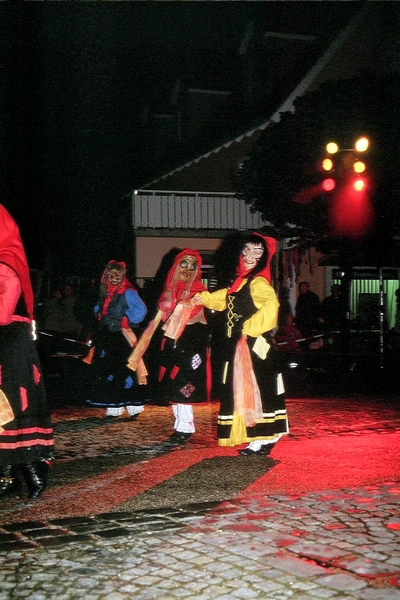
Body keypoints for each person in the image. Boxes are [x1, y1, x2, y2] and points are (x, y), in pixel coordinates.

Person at [192, 231, 289, 456]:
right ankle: (259, 435)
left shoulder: (258, 282)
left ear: (264, 256)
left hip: (255, 346)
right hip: (241, 345)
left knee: (258, 387)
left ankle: (266, 435)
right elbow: (226, 297)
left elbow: (272, 305)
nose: (250, 256)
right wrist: (203, 298)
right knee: (245, 388)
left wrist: (250, 328)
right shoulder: (241, 281)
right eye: (246, 250)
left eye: (257, 251)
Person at [128, 249, 210, 443]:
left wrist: (171, 305)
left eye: (193, 266)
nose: (188, 270)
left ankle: (186, 426)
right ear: (176, 267)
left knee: (184, 382)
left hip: (191, 343)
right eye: (184, 264)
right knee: (172, 382)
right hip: (172, 342)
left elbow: (191, 310)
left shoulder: (200, 290)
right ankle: (180, 425)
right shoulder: (170, 289)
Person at [0, 205, 54, 501]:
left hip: (10, 347)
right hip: (8, 345)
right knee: (3, 411)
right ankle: (7, 476)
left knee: (14, 408)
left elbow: (3, 313)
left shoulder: (6, 265)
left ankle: (34, 472)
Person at [85, 260, 147, 418]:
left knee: (126, 369)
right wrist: (99, 313)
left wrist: (128, 318)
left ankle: (133, 406)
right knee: (108, 369)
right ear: (106, 275)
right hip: (107, 336)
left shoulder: (128, 292)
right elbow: (99, 308)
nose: (113, 277)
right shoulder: (104, 292)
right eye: (111, 274)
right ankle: (113, 406)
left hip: (122, 337)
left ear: (122, 276)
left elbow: (141, 309)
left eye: (117, 274)